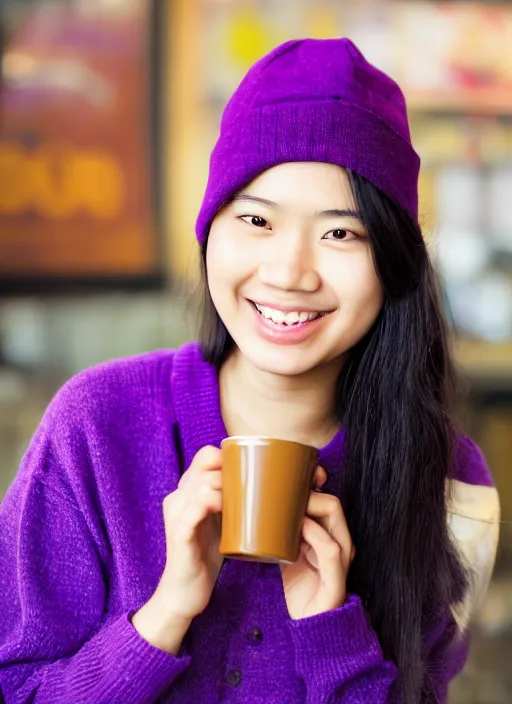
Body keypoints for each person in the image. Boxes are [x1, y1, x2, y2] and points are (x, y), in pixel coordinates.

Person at [0, 38, 500, 704]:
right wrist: (164, 615)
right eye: (257, 219)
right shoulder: (95, 426)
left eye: (341, 233)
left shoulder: (452, 487)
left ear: (393, 259)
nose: (289, 272)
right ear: (213, 232)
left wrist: (332, 634)